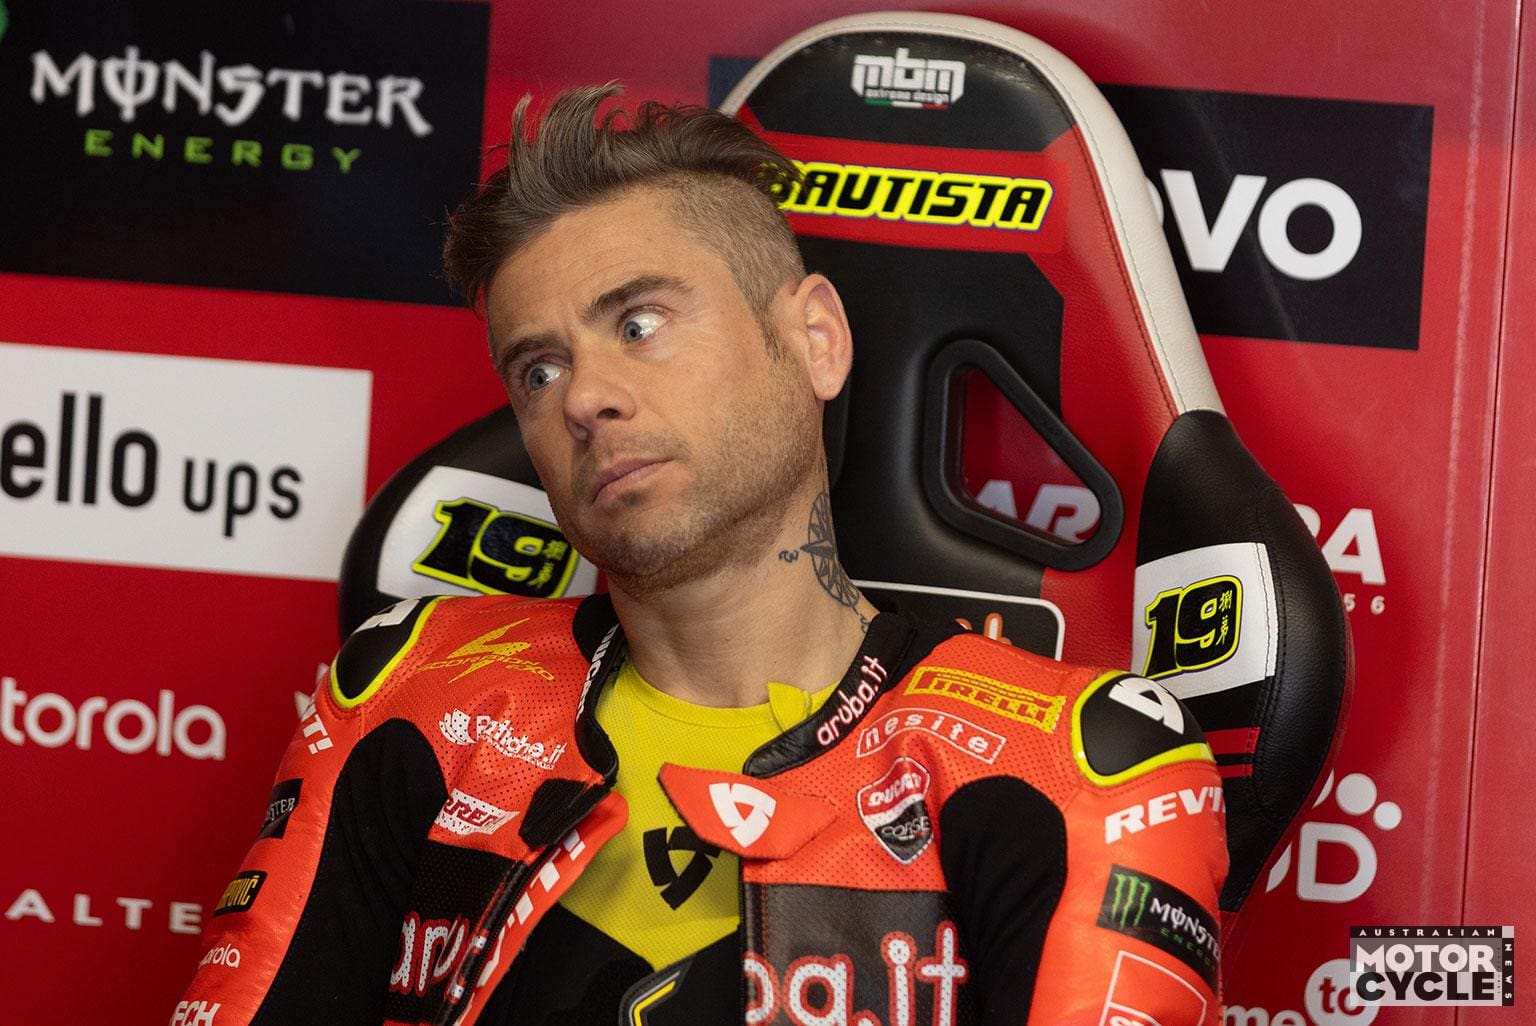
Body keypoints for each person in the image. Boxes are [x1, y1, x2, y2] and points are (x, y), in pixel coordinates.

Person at [172, 85, 1227, 1026]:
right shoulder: (411, 694)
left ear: (815, 339)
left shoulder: (1077, 765)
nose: (586, 398)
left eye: (639, 324)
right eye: (538, 371)